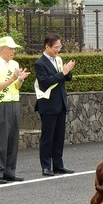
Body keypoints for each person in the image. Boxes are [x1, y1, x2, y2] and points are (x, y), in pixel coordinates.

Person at [0, 36, 29, 184]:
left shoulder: (14, 64)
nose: (13, 51)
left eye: (14, 48)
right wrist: (12, 79)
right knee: (0, 140)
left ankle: (9, 172)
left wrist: (20, 79)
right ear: (2, 49)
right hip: (0, 104)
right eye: (10, 48)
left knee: (12, 139)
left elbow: (16, 87)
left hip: (13, 103)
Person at [34, 33, 75, 176]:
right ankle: (46, 166)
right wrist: (62, 73)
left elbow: (65, 78)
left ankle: (58, 164)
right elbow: (45, 81)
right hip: (48, 104)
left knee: (59, 136)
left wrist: (68, 71)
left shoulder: (58, 60)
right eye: (56, 47)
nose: (58, 49)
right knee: (48, 137)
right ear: (47, 47)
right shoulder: (40, 63)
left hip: (60, 102)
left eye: (59, 46)